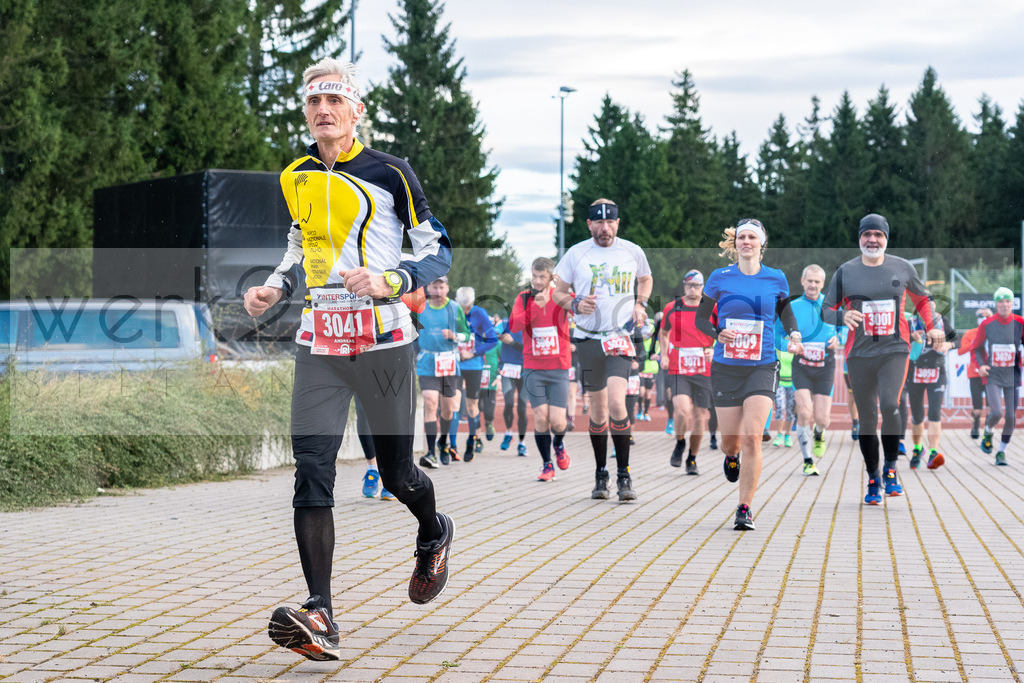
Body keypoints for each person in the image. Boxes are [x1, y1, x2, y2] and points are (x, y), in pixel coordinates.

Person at [246, 58, 454, 661]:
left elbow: (436, 248)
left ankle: (432, 529)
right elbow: (299, 245)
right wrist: (274, 288)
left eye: (335, 100)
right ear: (306, 112)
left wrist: (395, 277)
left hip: (385, 343)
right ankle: (322, 613)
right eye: (314, 102)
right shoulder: (295, 175)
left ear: (355, 110)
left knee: (396, 474)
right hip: (321, 342)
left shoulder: (391, 173)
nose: (324, 111)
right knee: (312, 466)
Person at [821, 214, 944, 504]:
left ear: (886, 239)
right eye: (867, 235)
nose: (872, 240)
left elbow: (923, 300)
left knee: (890, 404)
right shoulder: (845, 272)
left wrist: (933, 326)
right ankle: (873, 476)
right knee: (867, 417)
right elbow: (826, 309)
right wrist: (842, 315)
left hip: (895, 349)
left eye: (878, 235)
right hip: (859, 352)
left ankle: (891, 469)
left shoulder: (902, 267)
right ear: (859, 238)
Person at [696, 218, 801, 531]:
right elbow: (701, 319)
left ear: (761, 243)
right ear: (735, 243)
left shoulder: (776, 278)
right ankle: (731, 458)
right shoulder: (719, 277)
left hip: (762, 364)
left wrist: (794, 335)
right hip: (727, 366)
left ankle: (744, 508)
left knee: (753, 436)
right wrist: (718, 332)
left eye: (752, 237)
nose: (746, 242)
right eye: (741, 237)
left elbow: (786, 313)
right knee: (731, 442)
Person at [553, 199, 653, 502]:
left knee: (616, 402)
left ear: (618, 223)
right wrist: (573, 303)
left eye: (610, 223)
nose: (605, 228)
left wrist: (640, 303)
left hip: (619, 336)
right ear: (589, 224)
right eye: (598, 222)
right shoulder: (576, 253)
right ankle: (601, 473)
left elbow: (645, 279)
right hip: (587, 338)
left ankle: (624, 474)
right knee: (596, 411)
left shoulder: (632, 251)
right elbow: (556, 291)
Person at [510, 257, 573, 481]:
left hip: (558, 367)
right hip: (533, 368)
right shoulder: (524, 298)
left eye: (542, 277)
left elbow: (581, 309)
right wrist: (536, 306)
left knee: (557, 421)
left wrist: (567, 290)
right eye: (534, 276)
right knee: (540, 417)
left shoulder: (561, 297)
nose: (537, 281)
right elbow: (514, 325)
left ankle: (558, 443)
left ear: (551, 276)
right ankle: (547, 465)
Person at [782, 264, 840, 473]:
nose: (813, 285)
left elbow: (844, 328)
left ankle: (819, 432)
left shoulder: (832, 306)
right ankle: (807, 460)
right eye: (810, 281)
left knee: (823, 419)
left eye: (817, 282)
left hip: (825, 365)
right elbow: (777, 333)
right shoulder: (793, 306)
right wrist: (789, 345)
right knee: (804, 411)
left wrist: (838, 339)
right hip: (802, 366)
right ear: (802, 281)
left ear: (822, 284)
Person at [660, 269, 715, 475]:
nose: (692, 290)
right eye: (689, 285)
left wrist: (713, 347)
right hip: (678, 366)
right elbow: (663, 333)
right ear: (684, 286)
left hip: (703, 368)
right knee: (682, 411)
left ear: (703, 287)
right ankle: (680, 442)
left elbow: (723, 333)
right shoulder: (672, 307)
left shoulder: (712, 308)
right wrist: (664, 354)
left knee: (701, 417)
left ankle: (692, 458)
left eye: (697, 286)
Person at [967, 287, 1024, 466]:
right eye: (1001, 302)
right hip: (993, 375)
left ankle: (1001, 452)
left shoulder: (1020, 322)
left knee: (1010, 417)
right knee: (997, 412)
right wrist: (980, 365)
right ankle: (988, 430)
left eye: (1007, 302)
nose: (1004, 305)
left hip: (1012, 374)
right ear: (996, 304)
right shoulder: (987, 324)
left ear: (1012, 304)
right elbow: (975, 348)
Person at [416, 276, 465, 466]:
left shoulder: (454, 308)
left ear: (447, 288)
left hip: (448, 362)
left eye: (441, 286)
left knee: (447, 408)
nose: (437, 290)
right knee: (430, 402)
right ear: (428, 288)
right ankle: (430, 452)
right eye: (434, 286)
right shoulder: (421, 307)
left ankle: (443, 442)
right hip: (427, 361)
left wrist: (455, 335)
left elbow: (467, 333)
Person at [905, 313, 956, 469]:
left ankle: (933, 452)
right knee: (917, 415)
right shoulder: (911, 322)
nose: (928, 309)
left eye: (930, 305)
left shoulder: (942, 321)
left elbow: (957, 339)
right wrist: (912, 337)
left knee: (935, 412)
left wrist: (949, 345)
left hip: (937, 372)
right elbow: (897, 341)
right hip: (915, 372)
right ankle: (918, 448)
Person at [454, 286, 499, 461]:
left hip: (473, 365)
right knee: (453, 404)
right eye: (461, 306)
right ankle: (450, 444)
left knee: (472, 405)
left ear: (472, 303)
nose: (464, 311)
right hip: (454, 365)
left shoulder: (479, 313)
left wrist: (473, 352)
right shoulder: (452, 310)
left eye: (467, 307)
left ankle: (473, 440)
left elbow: (493, 340)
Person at [496, 319, 529, 456]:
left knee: (522, 409)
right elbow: (491, 333)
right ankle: (509, 432)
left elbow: (530, 348)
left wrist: (511, 343)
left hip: (525, 370)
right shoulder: (504, 324)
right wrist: (497, 335)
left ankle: (522, 442)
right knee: (508, 403)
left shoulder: (532, 326)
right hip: (508, 369)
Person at [960, 307, 992, 440]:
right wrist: (974, 343)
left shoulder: (995, 333)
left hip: (991, 375)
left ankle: (988, 429)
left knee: (991, 408)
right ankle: (976, 424)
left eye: (986, 316)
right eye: (980, 316)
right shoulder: (970, 333)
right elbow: (960, 351)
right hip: (975, 374)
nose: (983, 319)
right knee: (977, 409)